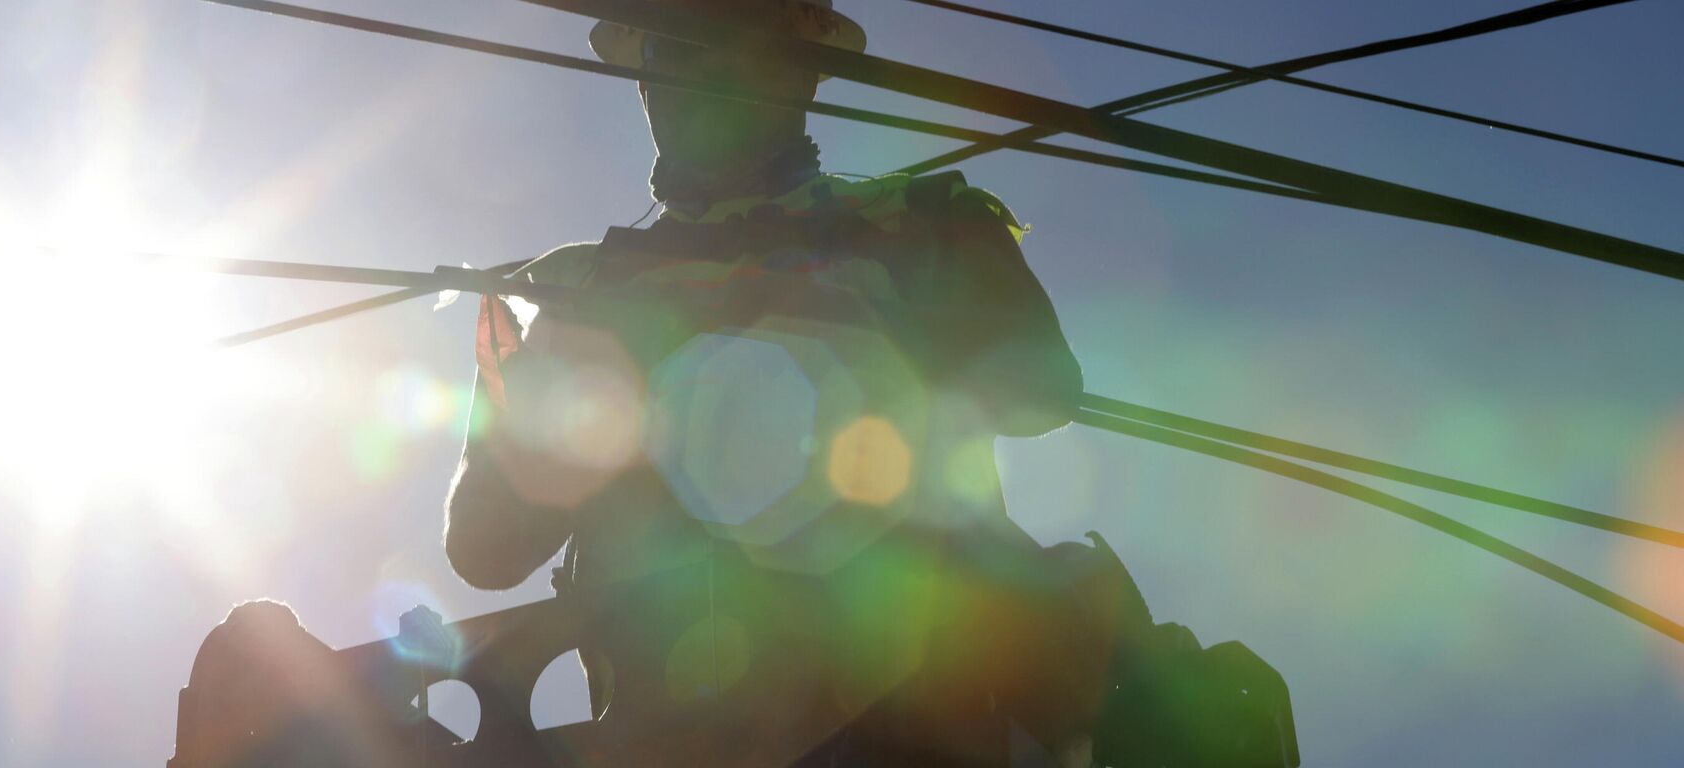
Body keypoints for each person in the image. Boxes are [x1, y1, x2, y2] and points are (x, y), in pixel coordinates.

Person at [440, 2, 1289, 765]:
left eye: (731, 46)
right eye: (672, 49)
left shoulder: (914, 224)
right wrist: (578, 408)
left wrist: (868, 290)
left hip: (921, 720)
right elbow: (486, 549)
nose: (694, 77)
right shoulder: (579, 291)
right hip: (669, 735)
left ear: (803, 75)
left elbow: (1039, 391)